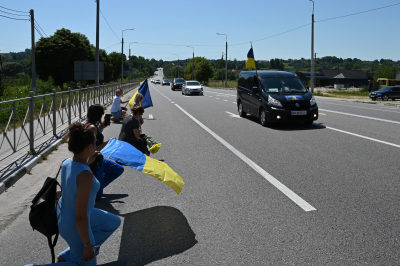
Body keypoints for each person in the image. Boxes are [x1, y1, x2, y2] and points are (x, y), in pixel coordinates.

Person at [25, 123, 121, 266]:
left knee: (113, 222)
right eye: (95, 143)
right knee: (85, 262)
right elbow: (80, 216)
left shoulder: (67, 163)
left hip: (64, 214)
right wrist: (87, 245)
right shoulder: (86, 176)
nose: (96, 145)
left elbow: (74, 181)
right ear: (89, 147)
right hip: (75, 223)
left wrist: (88, 161)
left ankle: (67, 256)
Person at [83, 105, 124, 199]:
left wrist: (103, 126)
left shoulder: (88, 124)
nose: (102, 115)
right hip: (94, 161)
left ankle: (96, 186)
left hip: (100, 159)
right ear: (98, 115)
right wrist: (107, 142)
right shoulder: (91, 128)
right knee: (98, 195)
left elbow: (96, 136)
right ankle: (91, 190)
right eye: (101, 114)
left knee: (118, 169)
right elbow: (93, 148)